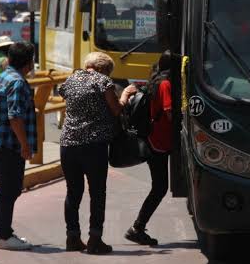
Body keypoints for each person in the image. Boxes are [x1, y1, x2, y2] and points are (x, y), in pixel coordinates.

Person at [58, 52, 137, 254]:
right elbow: (116, 110)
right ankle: (95, 239)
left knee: (73, 193)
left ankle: (72, 237)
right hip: (94, 145)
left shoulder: (70, 80)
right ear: (104, 69)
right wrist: (126, 94)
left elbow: (66, 96)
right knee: (97, 193)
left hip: (68, 144)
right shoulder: (103, 81)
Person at [0, 41, 37, 251]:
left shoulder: (3, 76)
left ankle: (3, 233)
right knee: (9, 191)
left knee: (5, 191)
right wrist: (25, 145)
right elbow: (15, 117)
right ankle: (4, 236)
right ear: (27, 63)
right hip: (8, 147)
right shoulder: (17, 83)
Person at [125, 51, 173, 246]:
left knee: (159, 186)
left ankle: (138, 226)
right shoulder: (166, 84)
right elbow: (169, 113)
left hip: (155, 139)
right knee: (160, 187)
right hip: (160, 141)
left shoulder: (155, 81)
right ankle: (137, 227)